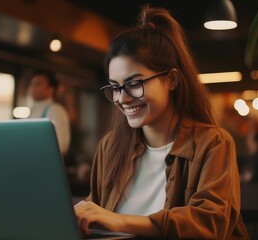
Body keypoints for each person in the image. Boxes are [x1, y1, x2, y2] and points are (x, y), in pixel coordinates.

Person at [74, 6, 248, 239]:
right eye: (115, 87)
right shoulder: (110, 147)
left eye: (134, 84)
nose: (122, 98)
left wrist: (119, 220)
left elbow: (210, 224)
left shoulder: (213, 143)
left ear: (172, 80)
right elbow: (95, 216)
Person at [27, 70, 71, 156]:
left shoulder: (55, 110)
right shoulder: (32, 110)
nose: (33, 87)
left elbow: (60, 146)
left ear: (51, 89)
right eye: (32, 84)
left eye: (38, 84)